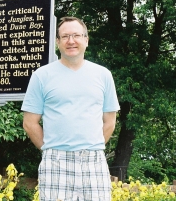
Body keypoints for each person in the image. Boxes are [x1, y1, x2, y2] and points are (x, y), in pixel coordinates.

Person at [21, 16, 120, 201]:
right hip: (55, 163)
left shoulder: (103, 75)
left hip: (94, 162)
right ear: (57, 42)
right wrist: (51, 150)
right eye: (65, 36)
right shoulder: (41, 76)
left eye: (76, 35)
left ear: (86, 40)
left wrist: (91, 147)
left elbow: (110, 122)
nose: (71, 41)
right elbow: (29, 123)